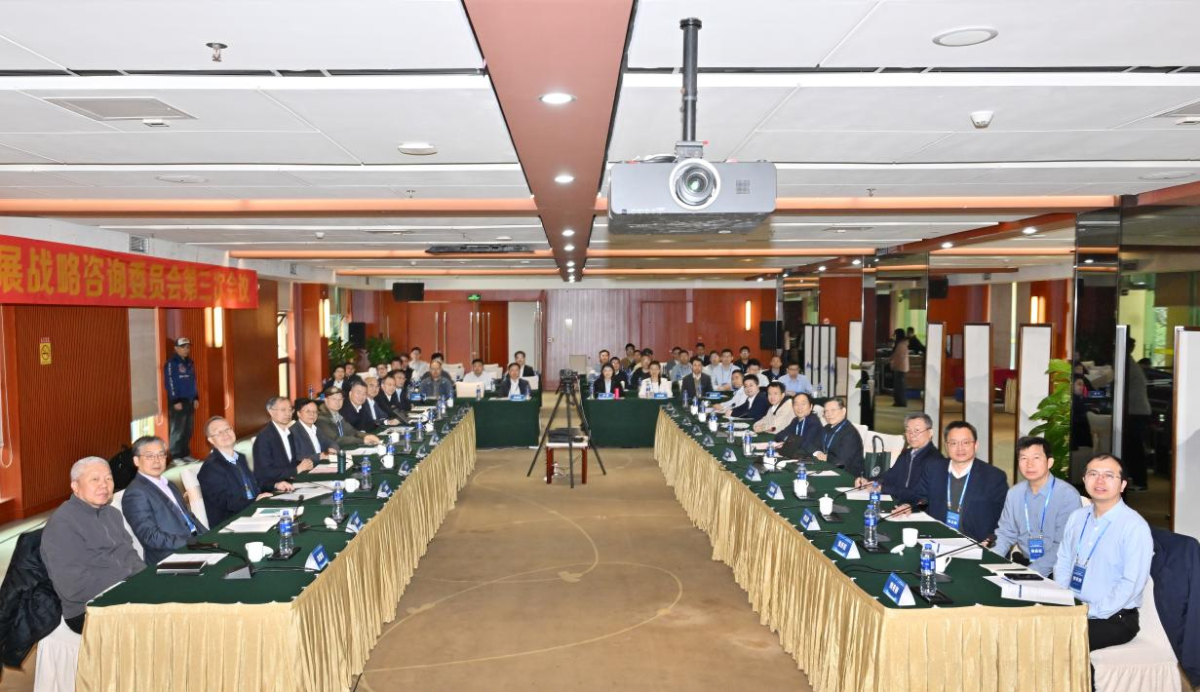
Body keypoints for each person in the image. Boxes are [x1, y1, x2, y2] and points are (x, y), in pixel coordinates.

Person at [1053, 454, 1152, 652]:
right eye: (1093, 474)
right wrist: (1067, 600)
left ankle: (1085, 676)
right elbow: (1063, 560)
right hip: (1074, 608)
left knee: (1060, 643)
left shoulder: (1134, 527)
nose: (1099, 480)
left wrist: (1089, 611)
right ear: (1084, 480)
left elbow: (1131, 584)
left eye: (1108, 475)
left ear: (1123, 485)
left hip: (1114, 617)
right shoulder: (1077, 517)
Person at [41, 457, 145, 634]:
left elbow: (129, 554)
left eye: (108, 478)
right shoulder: (63, 524)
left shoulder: (112, 513)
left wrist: (145, 579)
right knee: (158, 623)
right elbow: (73, 585)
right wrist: (127, 585)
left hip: (124, 588)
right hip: (87, 608)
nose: (104, 485)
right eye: (95, 479)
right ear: (75, 486)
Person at [894, 421, 1008, 542]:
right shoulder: (934, 469)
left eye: (966, 442)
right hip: (937, 538)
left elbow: (1004, 520)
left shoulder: (994, 477)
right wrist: (908, 506)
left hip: (974, 543)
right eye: (953, 443)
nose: (960, 448)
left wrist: (990, 541)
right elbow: (919, 498)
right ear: (946, 446)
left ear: (976, 445)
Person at [991, 437, 1082, 577]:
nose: (1029, 464)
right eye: (1024, 458)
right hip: (1024, 564)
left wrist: (1030, 573)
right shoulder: (1014, 493)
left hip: (1057, 570)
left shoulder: (1067, 496)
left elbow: (1063, 545)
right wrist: (991, 559)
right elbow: (1006, 533)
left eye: (1036, 458)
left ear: (1050, 462)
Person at [121, 436, 208, 566]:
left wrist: (209, 536)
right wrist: (191, 542)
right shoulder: (135, 493)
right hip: (170, 557)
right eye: (150, 456)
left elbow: (188, 516)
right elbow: (150, 536)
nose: (157, 460)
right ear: (136, 461)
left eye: (161, 455)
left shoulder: (169, 484)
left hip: (194, 544)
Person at [198, 417, 292, 528]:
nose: (225, 434)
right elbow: (227, 503)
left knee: (290, 514)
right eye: (219, 432)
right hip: (231, 523)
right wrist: (255, 501)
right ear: (211, 440)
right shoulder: (211, 468)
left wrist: (275, 484)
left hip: (252, 511)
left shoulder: (238, 457)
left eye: (227, 429)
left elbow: (254, 482)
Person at [862, 412, 944, 497]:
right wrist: (868, 481)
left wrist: (883, 489)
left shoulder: (935, 460)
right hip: (898, 500)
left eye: (917, 430)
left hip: (914, 505)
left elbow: (918, 495)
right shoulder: (907, 453)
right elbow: (890, 476)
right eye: (908, 431)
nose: (912, 435)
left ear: (930, 433)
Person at [252, 396, 315, 491]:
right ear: (271, 412)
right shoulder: (264, 437)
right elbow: (265, 472)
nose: (287, 413)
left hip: (290, 482)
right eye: (283, 410)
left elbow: (289, 463)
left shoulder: (288, 433)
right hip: (273, 487)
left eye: (290, 410)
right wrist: (296, 470)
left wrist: (304, 464)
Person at [1123, 338, 1152, 491]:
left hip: (1136, 412)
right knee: (1133, 447)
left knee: (1135, 448)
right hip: (1137, 411)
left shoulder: (1127, 364)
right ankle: (1136, 479)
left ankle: (1141, 482)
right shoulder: (1129, 362)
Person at [164, 337, 199, 463]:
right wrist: (175, 400)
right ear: (176, 348)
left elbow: (193, 382)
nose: (186, 349)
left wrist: (196, 397)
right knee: (178, 429)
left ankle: (185, 454)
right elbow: (170, 382)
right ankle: (175, 456)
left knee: (188, 429)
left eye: (187, 347)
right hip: (178, 401)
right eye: (183, 347)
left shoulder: (189, 362)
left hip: (189, 400)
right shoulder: (171, 363)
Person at [813, 397, 864, 475]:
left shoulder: (850, 433)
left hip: (848, 476)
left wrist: (826, 457)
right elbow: (813, 445)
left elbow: (841, 463)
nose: (829, 414)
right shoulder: (826, 428)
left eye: (833, 410)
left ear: (843, 411)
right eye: (826, 411)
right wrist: (818, 453)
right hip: (828, 469)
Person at [316, 388, 381, 449]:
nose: (337, 402)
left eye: (340, 399)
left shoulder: (337, 414)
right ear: (326, 400)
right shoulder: (321, 419)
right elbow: (336, 440)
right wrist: (362, 440)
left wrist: (366, 436)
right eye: (334, 399)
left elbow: (352, 432)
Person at [775, 392, 823, 458]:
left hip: (812, 458)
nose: (799, 407)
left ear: (811, 407)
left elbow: (806, 445)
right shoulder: (795, 420)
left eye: (803, 404)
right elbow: (779, 435)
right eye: (796, 404)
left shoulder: (814, 422)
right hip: (796, 455)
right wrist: (790, 439)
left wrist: (790, 440)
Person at [890, 329, 909, 407]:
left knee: (899, 386)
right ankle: (899, 401)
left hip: (899, 367)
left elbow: (898, 357)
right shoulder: (902, 343)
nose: (894, 336)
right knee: (899, 386)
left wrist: (893, 364)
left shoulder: (901, 344)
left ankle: (901, 402)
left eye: (895, 335)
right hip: (900, 367)